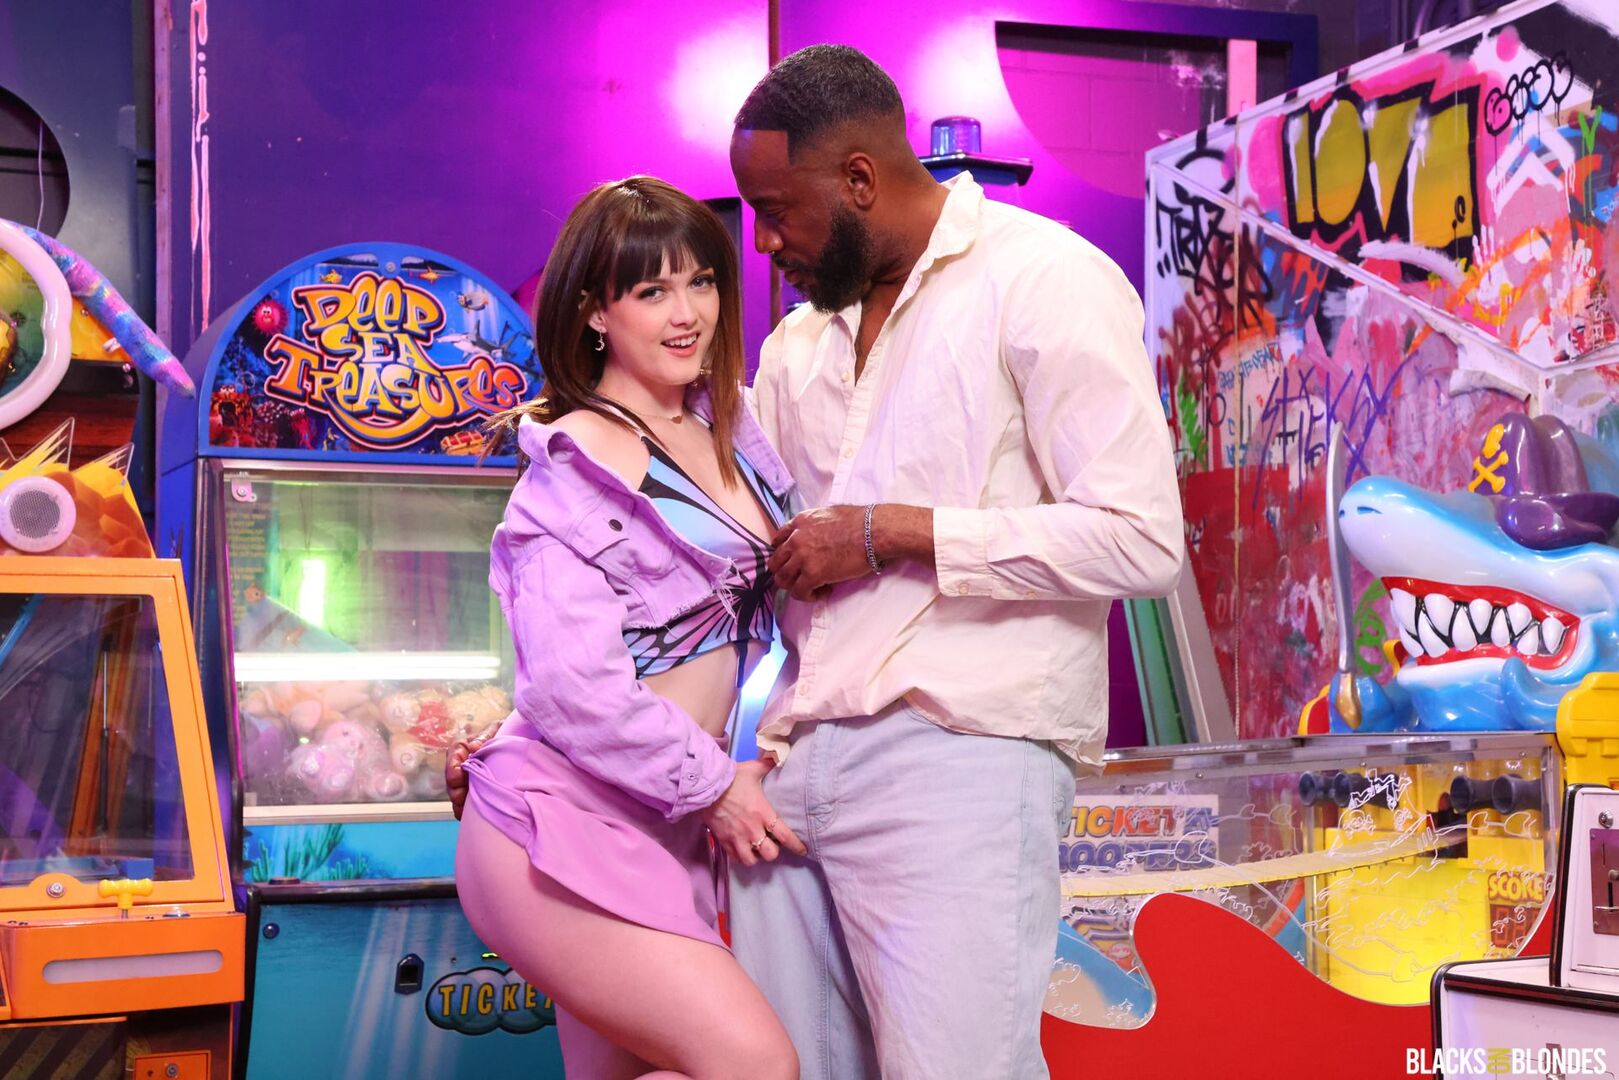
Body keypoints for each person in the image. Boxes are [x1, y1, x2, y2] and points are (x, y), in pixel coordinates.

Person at [723, 45, 1185, 1079]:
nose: (762, 241)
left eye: (775, 210)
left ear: (856, 179)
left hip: (960, 752)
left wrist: (896, 530)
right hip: (789, 768)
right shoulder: (797, 345)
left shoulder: (1043, 279)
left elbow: (1142, 536)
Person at [452, 176, 802, 1080]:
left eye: (702, 282)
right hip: (559, 822)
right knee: (753, 1065)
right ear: (594, 311)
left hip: (664, 822)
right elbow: (571, 689)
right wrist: (716, 787)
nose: (686, 314)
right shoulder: (574, 466)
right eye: (652, 291)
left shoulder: (732, 426)